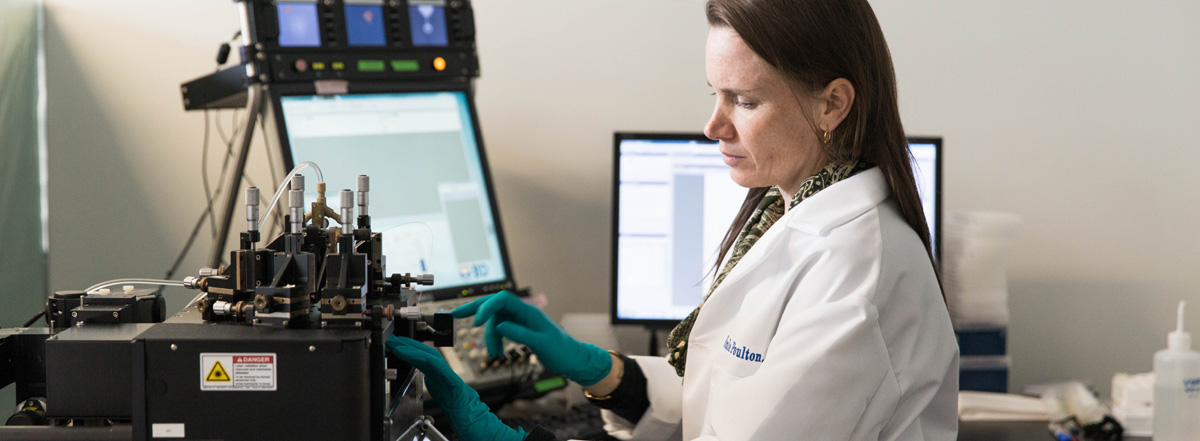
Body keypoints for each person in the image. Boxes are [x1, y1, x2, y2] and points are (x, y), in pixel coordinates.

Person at [387, 0, 958, 439]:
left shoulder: (856, 271)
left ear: (832, 103)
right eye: (716, 94)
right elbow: (719, 403)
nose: (713, 126)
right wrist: (605, 373)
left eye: (745, 101)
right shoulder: (788, 216)